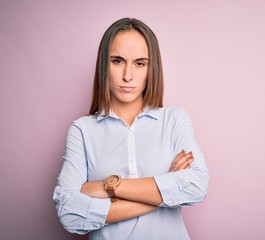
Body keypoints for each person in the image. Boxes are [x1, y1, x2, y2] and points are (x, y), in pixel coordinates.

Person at [53, 18, 209, 240]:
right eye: (117, 61)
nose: (128, 75)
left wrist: (107, 188)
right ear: (104, 65)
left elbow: (196, 186)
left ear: (151, 67)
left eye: (140, 63)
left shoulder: (174, 120)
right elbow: (69, 213)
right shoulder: (82, 130)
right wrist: (165, 189)